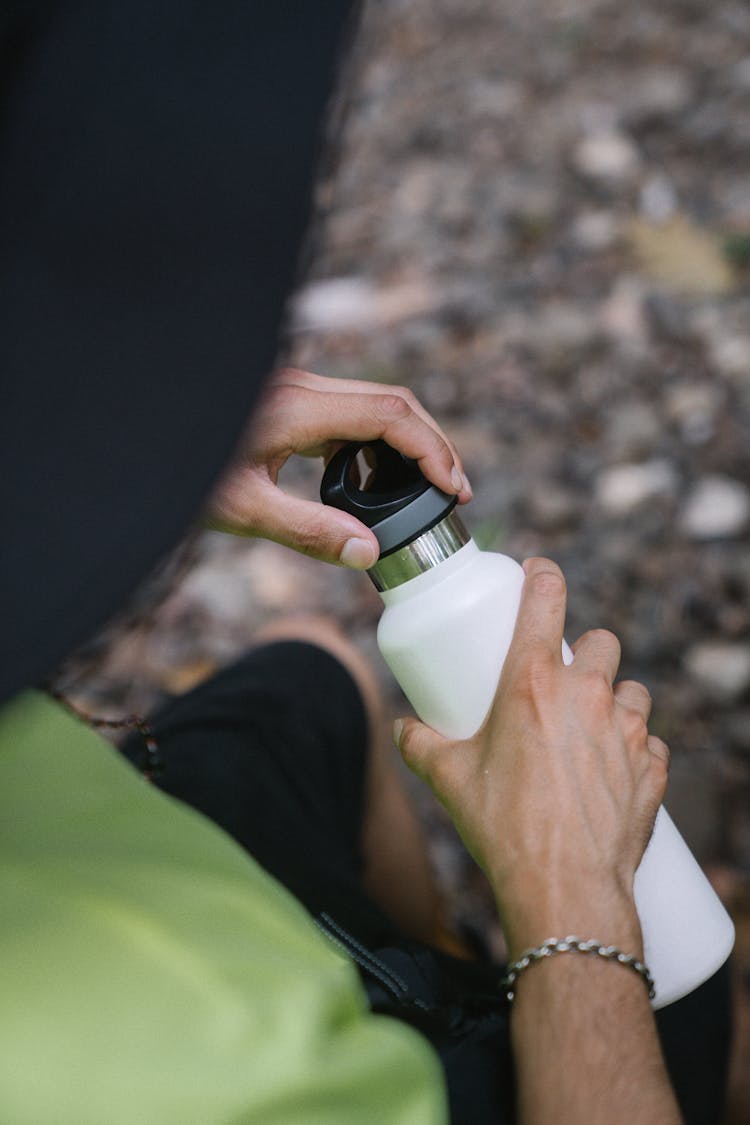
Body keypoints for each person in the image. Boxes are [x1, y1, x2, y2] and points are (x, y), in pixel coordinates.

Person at [0, 3, 730, 1122]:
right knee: (691, 992)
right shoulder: (184, 1067)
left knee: (315, 682)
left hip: (61, 818)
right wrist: (569, 898)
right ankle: (522, 1004)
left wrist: (108, 417)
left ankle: (451, 954)